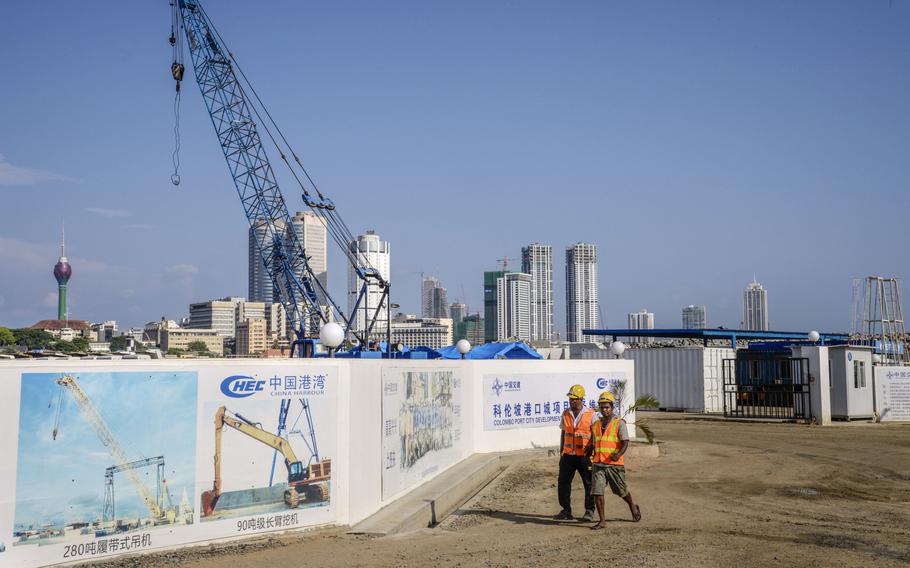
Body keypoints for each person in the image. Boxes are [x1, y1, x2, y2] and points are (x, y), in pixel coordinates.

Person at [590, 391, 641, 529]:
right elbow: (593, 443)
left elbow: (625, 442)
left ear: (612, 407)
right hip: (598, 464)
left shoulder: (619, 423)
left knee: (621, 491)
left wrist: (618, 454)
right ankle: (602, 521)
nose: (604, 409)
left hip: (614, 464)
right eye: (602, 407)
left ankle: (632, 505)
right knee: (597, 492)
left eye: (607, 407)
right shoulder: (595, 425)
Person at [554, 384, 597, 521]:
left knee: (589, 483)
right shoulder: (566, 413)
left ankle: (589, 511)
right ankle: (566, 511)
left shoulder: (591, 414)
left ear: (581, 399)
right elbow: (563, 432)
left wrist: (593, 446)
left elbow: (596, 434)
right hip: (568, 456)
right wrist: (562, 451)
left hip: (584, 456)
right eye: (570, 398)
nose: (572, 401)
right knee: (563, 483)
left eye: (574, 399)